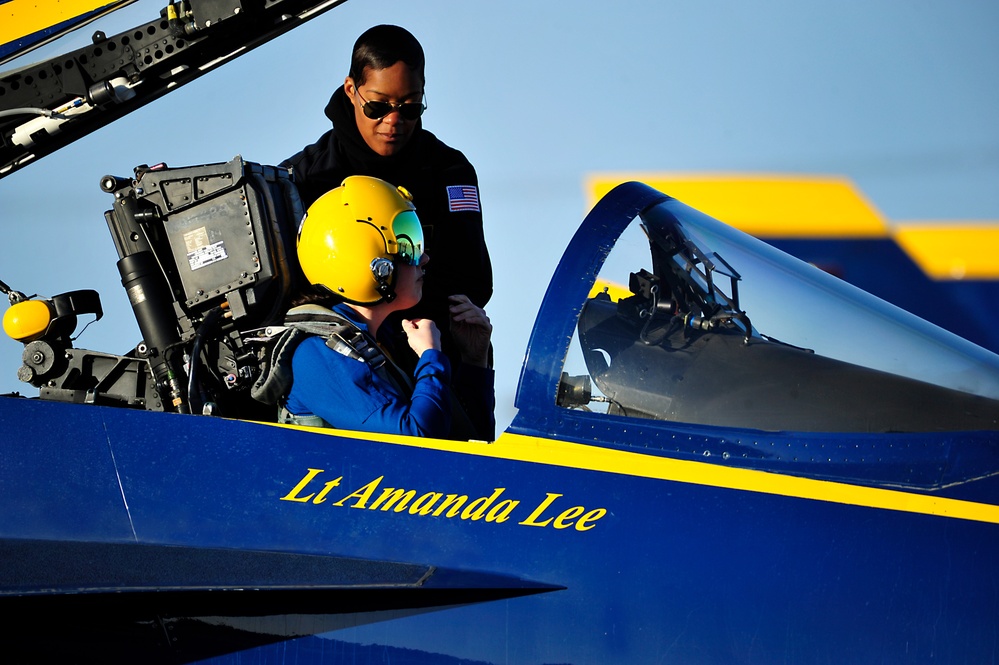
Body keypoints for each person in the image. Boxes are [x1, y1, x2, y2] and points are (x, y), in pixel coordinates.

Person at [280, 25, 492, 369]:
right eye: (378, 106)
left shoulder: (451, 171)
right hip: (343, 363)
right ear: (351, 90)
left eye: (410, 108)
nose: (394, 121)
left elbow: (471, 280)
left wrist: (425, 345)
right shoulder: (302, 179)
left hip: (436, 351)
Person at [254, 175, 494, 441]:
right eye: (407, 247)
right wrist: (430, 356)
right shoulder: (318, 354)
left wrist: (474, 361)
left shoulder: (382, 341)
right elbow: (418, 443)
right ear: (369, 261)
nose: (424, 258)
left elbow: (472, 446)